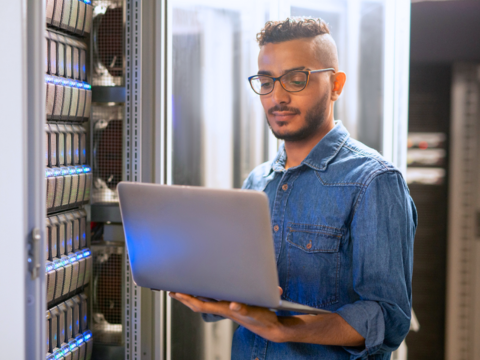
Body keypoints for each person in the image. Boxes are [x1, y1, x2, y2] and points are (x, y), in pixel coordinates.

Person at [169, 17, 417, 359]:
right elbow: (240, 296)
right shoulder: (258, 182)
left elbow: (387, 320)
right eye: (266, 81)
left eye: (296, 80)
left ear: (336, 85)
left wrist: (282, 328)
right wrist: (205, 289)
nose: (278, 96)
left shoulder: (373, 181)